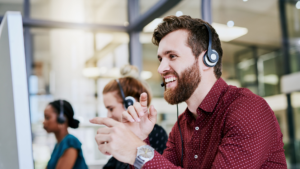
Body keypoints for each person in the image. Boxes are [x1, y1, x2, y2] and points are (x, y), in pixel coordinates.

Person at [90, 15, 287, 169]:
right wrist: (140, 140)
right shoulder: (181, 126)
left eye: (172, 56)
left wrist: (138, 151)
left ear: (207, 59)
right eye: (160, 59)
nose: (161, 69)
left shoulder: (248, 109)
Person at [102, 65, 168, 169]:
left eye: (111, 109)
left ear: (129, 104)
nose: (108, 115)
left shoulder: (156, 134)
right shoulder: (123, 137)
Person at [43, 100, 88, 169]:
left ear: (62, 119)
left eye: (47, 117)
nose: (44, 122)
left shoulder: (70, 141)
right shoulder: (58, 145)